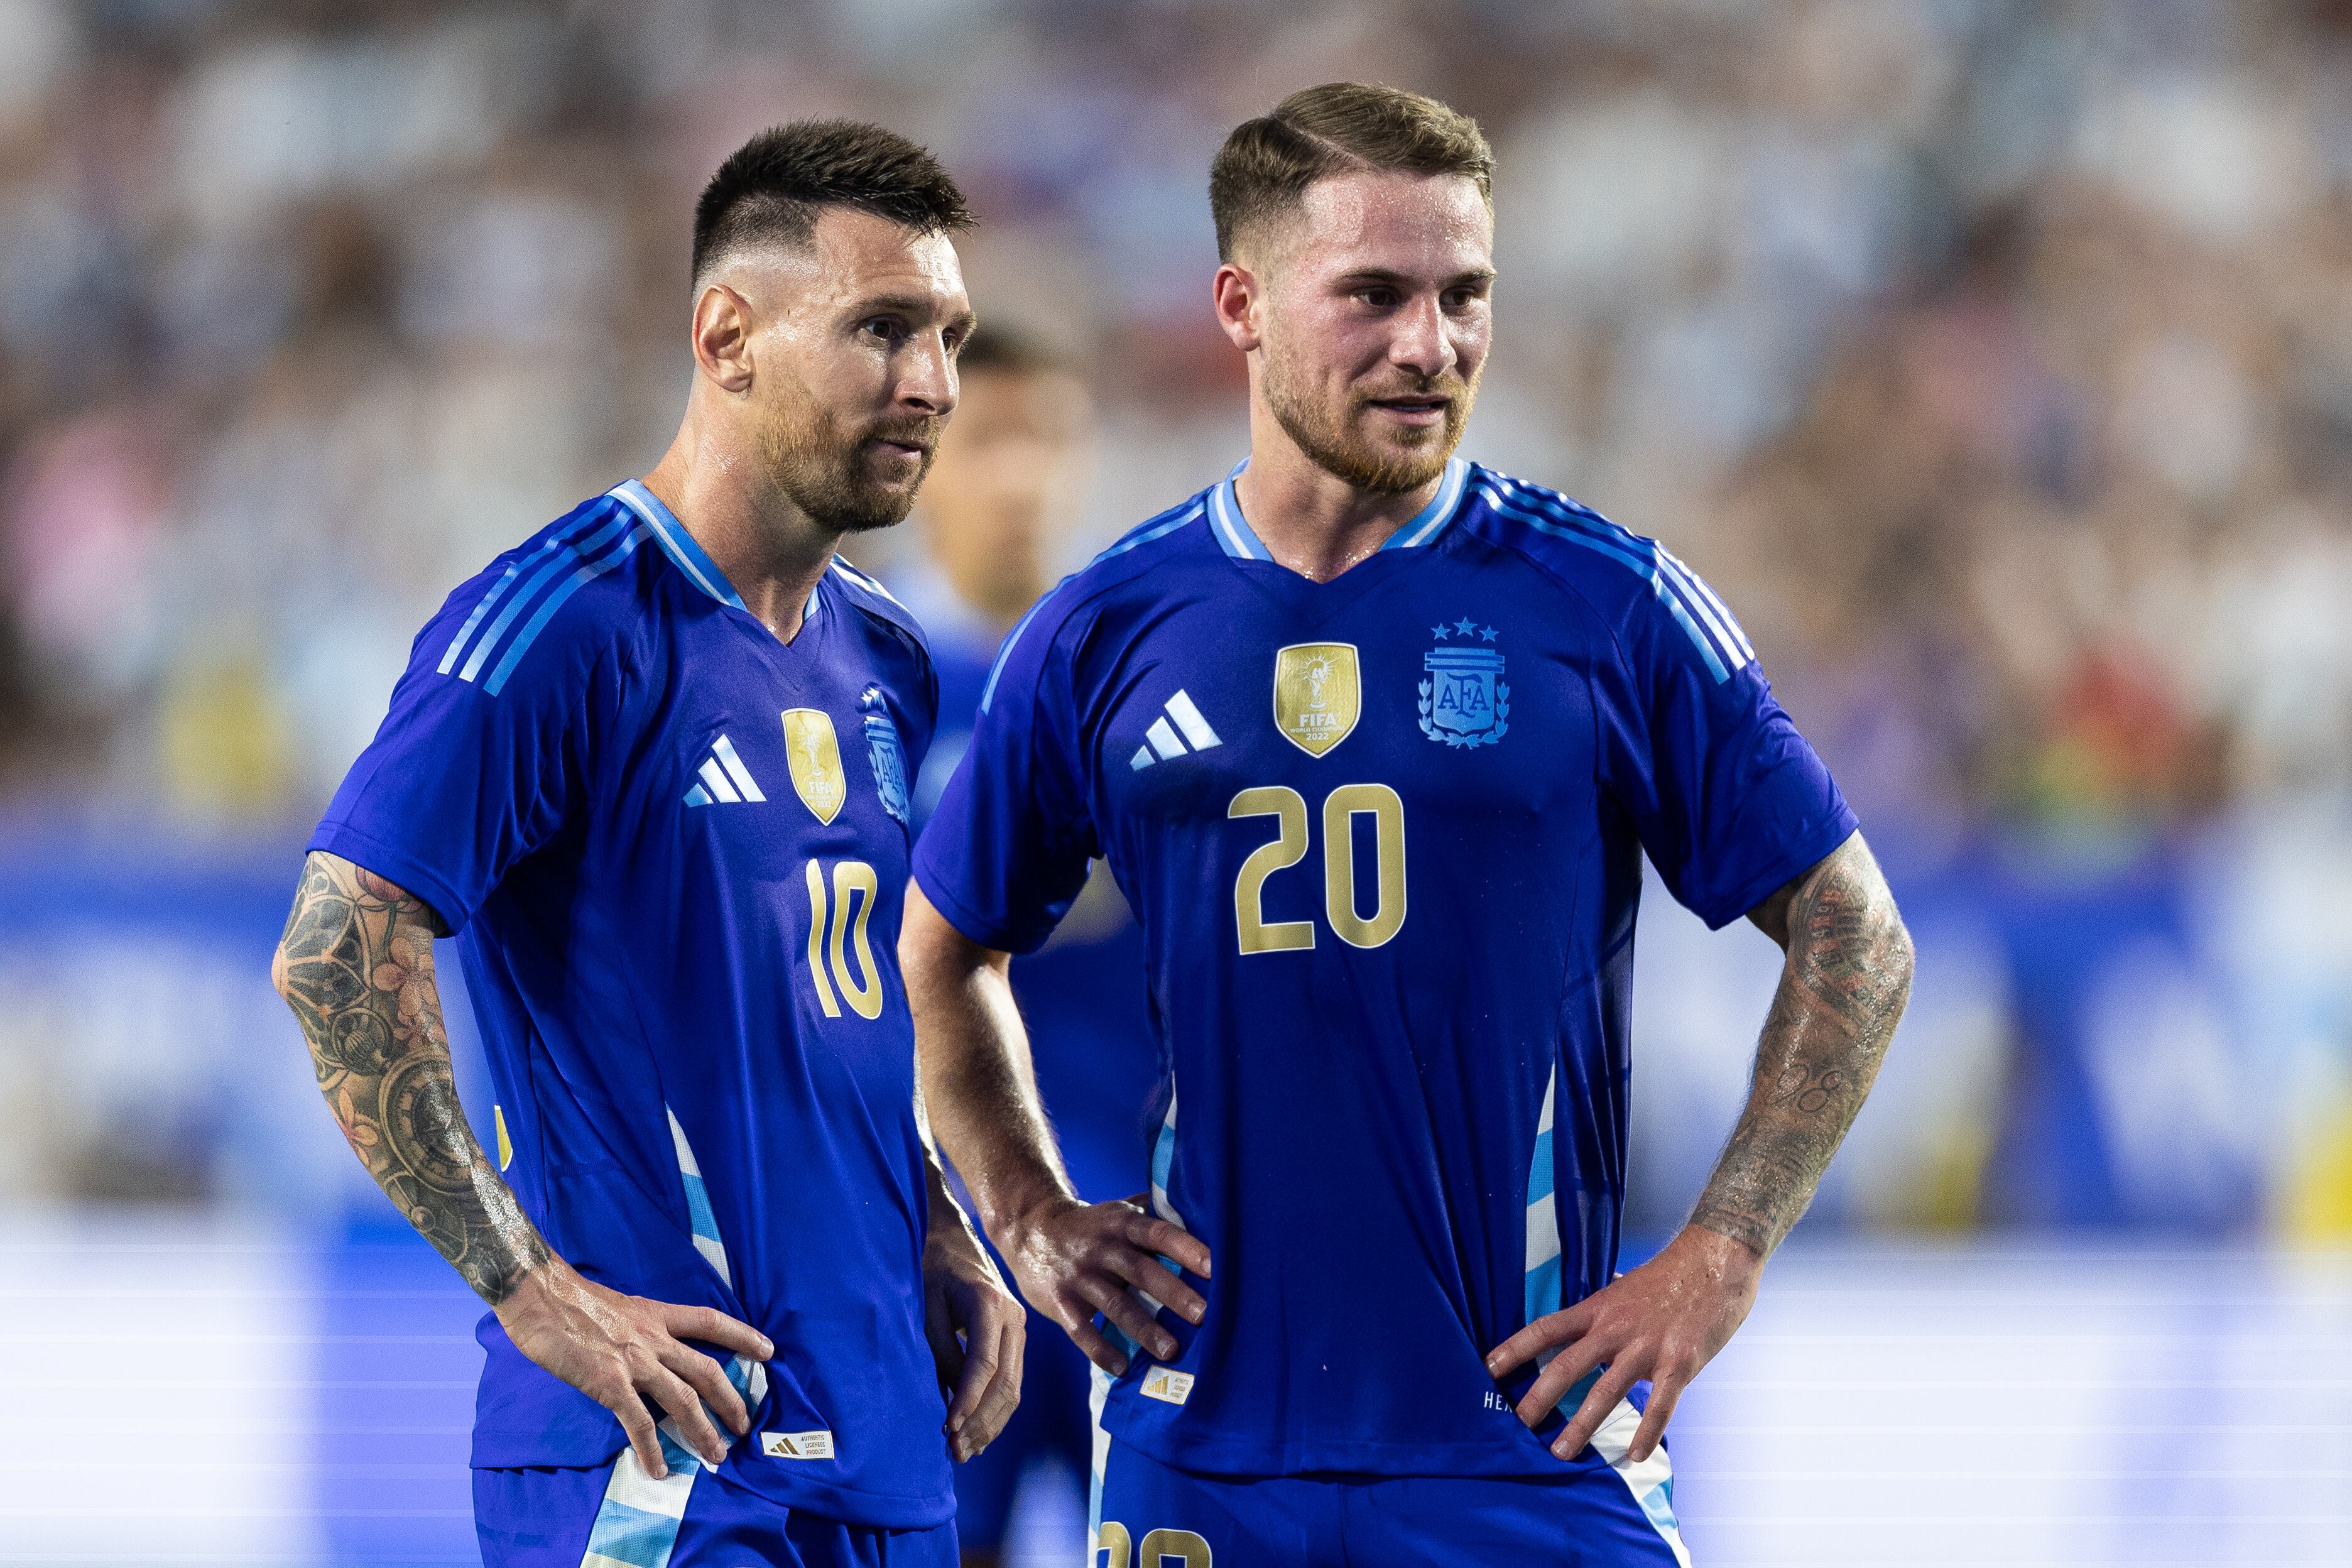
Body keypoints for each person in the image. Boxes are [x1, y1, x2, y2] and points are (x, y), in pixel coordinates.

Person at [902, 83, 1915, 1567]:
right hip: (1203, 1453)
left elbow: (1855, 931)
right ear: (1241, 305)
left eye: (1464, 296)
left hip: (1531, 1445)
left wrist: (1720, 1256)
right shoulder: (1106, 630)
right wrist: (1027, 1212)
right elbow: (946, 951)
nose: (1429, 346)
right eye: (1372, 295)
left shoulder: (1607, 605)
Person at [271, 120, 1025, 1568]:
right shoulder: (562, 621)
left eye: (949, 335)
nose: (931, 382)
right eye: (881, 329)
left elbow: (832, 1007)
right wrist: (531, 1290)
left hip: (883, 1449)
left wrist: (931, 1217)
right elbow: (333, 948)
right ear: (727, 335)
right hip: (658, 1465)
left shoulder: (887, 656)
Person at [885, 329, 1158, 1565]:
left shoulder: (1150, 677)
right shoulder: (857, 687)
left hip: (1152, 1243)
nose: (1020, 476)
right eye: (985, 441)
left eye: (1048, 439)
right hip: (938, 1242)